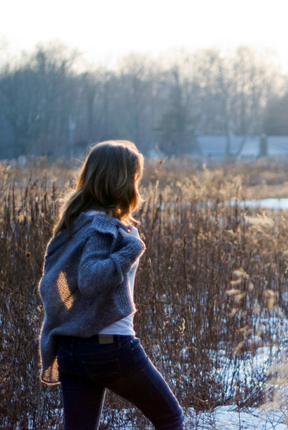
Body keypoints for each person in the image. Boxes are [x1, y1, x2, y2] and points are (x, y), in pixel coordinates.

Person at [38, 140, 184, 430]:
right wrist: (131, 249)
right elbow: (90, 279)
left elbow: (50, 286)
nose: (136, 183)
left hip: (70, 350)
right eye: (134, 177)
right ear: (122, 180)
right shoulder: (103, 228)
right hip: (110, 347)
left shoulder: (73, 225)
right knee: (170, 418)